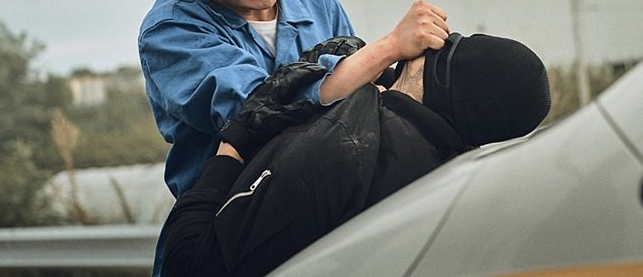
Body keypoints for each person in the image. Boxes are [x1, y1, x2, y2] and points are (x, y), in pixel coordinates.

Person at [138, 0, 450, 275]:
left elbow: (362, 113)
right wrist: (389, 48)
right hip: (234, 238)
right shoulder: (171, 31)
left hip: (332, 225)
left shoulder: (317, 0)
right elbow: (263, 109)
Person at [160, 32, 552, 276]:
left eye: (439, 47)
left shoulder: (339, 144)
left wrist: (233, 146)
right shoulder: (451, 178)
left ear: (438, 76)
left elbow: (189, 263)